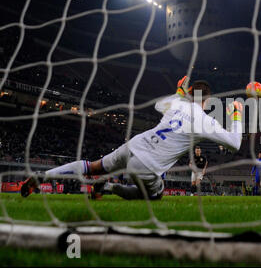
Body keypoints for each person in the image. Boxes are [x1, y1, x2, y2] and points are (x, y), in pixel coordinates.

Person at [21, 77, 243, 200]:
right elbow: (234, 144)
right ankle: (108, 189)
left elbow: (158, 105)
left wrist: (178, 93)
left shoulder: (176, 105)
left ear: (189, 93)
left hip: (134, 144)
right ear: (207, 100)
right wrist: (237, 114)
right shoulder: (205, 120)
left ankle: (45, 175)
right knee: (154, 195)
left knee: (93, 166)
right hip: (147, 163)